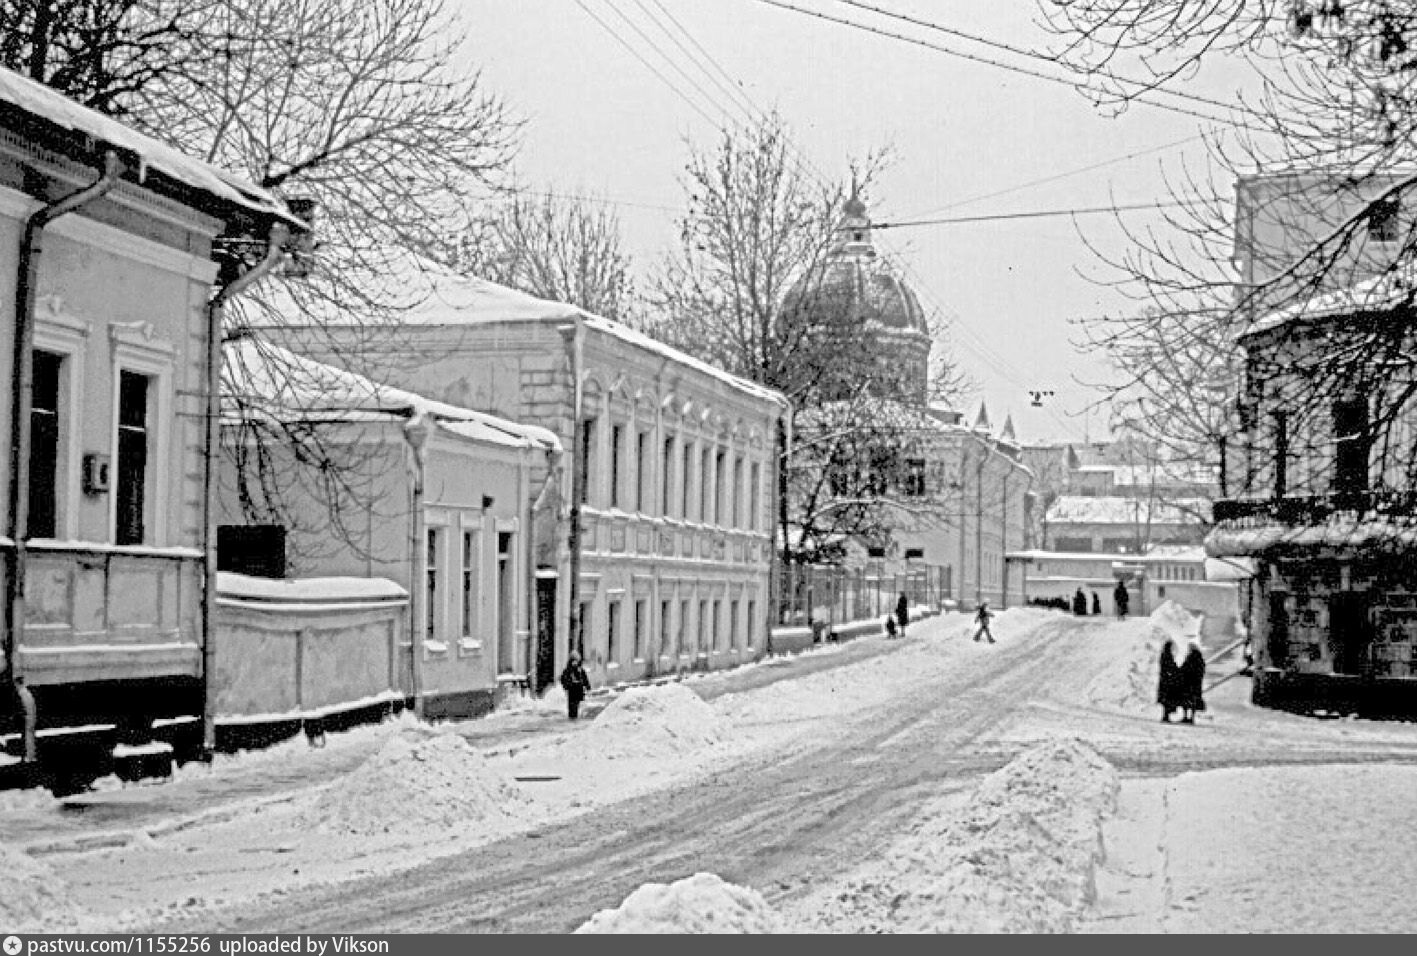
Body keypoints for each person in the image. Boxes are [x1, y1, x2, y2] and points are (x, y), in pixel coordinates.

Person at [1179, 638, 1207, 723]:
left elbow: (1185, 669)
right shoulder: (1200, 659)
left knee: (1186, 700)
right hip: (1196, 684)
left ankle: (1185, 716)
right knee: (1193, 701)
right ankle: (1191, 717)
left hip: (1188, 683)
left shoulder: (1190, 657)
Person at [559, 650, 591, 721]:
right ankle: (572, 717)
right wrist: (566, 686)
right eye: (573, 661)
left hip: (579, 690)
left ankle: (574, 716)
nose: (575, 663)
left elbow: (585, 679)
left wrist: (587, 687)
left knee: (576, 704)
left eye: (576, 661)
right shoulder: (568, 670)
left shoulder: (580, 670)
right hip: (572, 690)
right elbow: (563, 679)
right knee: (571, 705)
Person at [1157, 638, 1181, 723]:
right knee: (1168, 699)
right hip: (1168, 681)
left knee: (1166, 700)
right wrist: (1176, 670)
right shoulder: (1167, 655)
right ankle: (1166, 716)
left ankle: (1165, 715)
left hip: (1164, 680)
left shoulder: (1164, 655)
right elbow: (1170, 667)